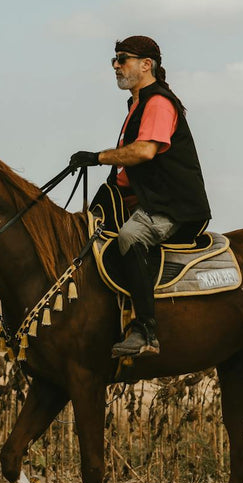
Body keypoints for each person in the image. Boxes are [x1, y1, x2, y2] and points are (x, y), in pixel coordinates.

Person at [69, 35, 212, 358]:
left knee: (130, 237)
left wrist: (98, 157)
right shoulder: (136, 103)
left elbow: (145, 151)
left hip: (171, 206)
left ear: (147, 65)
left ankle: (145, 331)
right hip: (144, 201)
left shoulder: (158, 102)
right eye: (114, 60)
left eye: (123, 59)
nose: (116, 66)